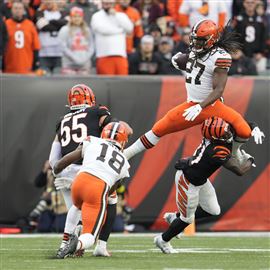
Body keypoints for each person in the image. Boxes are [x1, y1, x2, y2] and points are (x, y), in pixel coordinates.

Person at [123, 19, 265, 163]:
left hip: (211, 105)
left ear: (212, 40)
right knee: (159, 129)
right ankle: (126, 154)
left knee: (244, 131)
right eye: (195, 40)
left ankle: (235, 153)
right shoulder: (196, 51)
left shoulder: (219, 57)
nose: (196, 44)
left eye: (200, 41)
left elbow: (219, 90)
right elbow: (190, 65)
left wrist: (200, 106)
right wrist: (178, 60)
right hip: (192, 105)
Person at [49, 83, 132, 258]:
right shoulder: (97, 112)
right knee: (109, 201)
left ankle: (66, 243)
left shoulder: (62, 120)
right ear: (91, 99)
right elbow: (115, 127)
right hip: (89, 167)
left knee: (76, 208)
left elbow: (53, 156)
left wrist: (56, 171)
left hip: (65, 170)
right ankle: (99, 244)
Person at [154, 117, 258, 254]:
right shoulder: (217, 150)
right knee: (187, 219)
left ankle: (175, 217)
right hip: (188, 180)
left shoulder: (216, 133)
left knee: (213, 210)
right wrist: (250, 159)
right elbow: (239, 170)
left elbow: (242, 123)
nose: (228, 133)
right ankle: (162, 240)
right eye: (225, 133)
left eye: (227, 129)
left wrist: (254, 126)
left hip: (200, 178)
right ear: (215, 137)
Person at [91, 0, 133, 75]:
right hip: (103, 55)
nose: (108, 5)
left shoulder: (121, 16)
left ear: (114, 4)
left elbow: (129, 28)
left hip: (120, 55)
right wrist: (120, 30)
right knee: (105, 83)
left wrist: (116, 15)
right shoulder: (96, 16)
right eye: (105, 3)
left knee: (123, 83)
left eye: (110, 3)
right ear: (102, 4)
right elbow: (101, 30)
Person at [3, 1, 40, 74]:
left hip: (26, 65)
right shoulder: (6, 24)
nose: (17, 10)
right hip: (9, 65)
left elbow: (36, 46)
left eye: (20, 8)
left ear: (23, 10)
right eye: (15, 8)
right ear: (11, 10)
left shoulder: (30, 25)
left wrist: (35, 64)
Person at [232, 0, 268, 73]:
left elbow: (264, 38)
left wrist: (261, 53)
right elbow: (233, 37)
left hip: (257, 55)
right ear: (244, 4)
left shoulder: (261, 20)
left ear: (255, 4)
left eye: (252, 2)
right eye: (248, 2)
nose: (250, 4)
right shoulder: (238, 19)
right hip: (241, 55)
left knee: (261, 73)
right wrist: (236, 50)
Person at [35, 0, 68, 74]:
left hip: (59, 52)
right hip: (44, 52)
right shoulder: (40, 13)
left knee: (58, 78)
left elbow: (66, 25)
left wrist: (50, 21)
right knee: (44, 79)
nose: (48, 2)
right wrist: (58, 25)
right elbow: (43, 26)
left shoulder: (63, 13)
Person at [58, 7, 94, 75]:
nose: (77, 18)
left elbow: (91, 46)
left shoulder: (87, 30)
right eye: (74, 16)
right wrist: (74, 58)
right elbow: (63, 47)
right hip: (69, 65)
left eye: (79, 16)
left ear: (82, 18)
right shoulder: (64, 30)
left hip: (84, 65)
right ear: (71, 17)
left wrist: (85, 58)